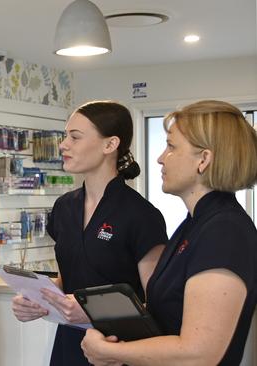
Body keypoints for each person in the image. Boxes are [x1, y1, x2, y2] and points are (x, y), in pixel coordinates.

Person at [81, 100, 257, 365]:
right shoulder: (195, 224)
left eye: (171, 147)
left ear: (204, 159)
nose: (161, 158)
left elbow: (200, 353)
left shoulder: (225, 232)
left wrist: (111, 352)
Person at [11, 101, 168, 365]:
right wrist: (36, 299)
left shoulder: (142, 215)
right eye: (64, 136)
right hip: (69, 343)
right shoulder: (64, 207)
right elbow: (69, 280)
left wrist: (92, 312)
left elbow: (155, 304)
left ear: (110, 145)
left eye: (75, 137)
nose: (63, 145)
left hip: (118, 350)